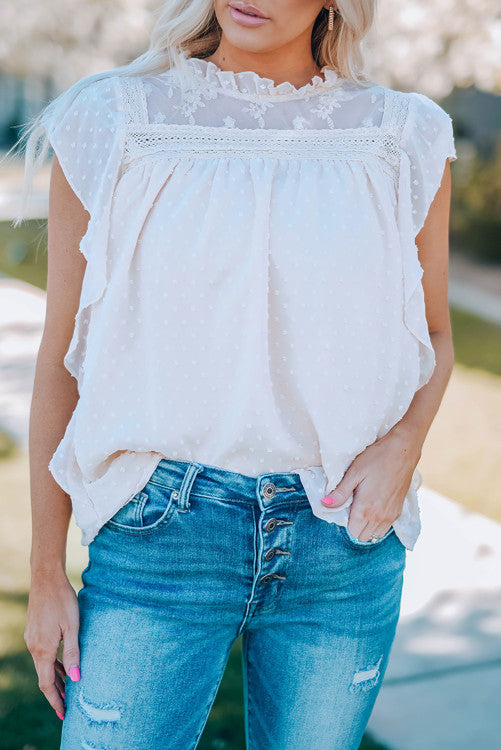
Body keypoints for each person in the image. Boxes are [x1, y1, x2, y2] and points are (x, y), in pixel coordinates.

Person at [14, 1, 457, 747]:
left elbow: (437, 334)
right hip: (158, 536)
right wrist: (47, 574)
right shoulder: (114, 119)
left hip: (342, 541)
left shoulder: (403, 135)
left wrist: (403, 445)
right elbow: (64, 362)